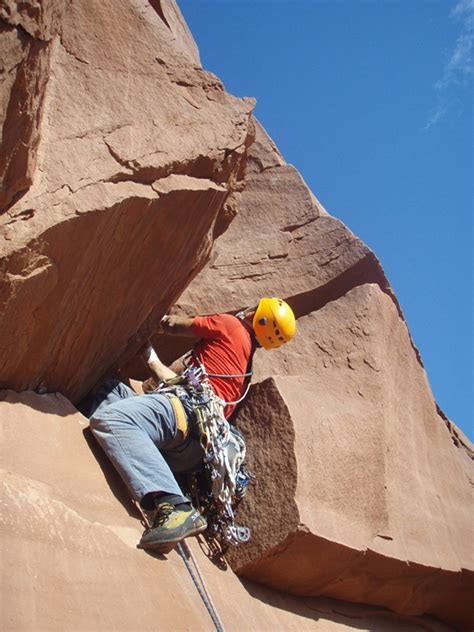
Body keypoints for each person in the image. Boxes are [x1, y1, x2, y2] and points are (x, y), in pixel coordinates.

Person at [86, 297, 296, 553]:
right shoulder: (244, 366)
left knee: (113, 419)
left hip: (181, 414)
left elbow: (175, 325)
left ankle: (175, 506)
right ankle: (157, 472)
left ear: (256, 316)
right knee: (108, 391)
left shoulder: (231, 326)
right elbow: (180, 383)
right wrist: (147, 353)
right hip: (191, 448)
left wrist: (150, 319)